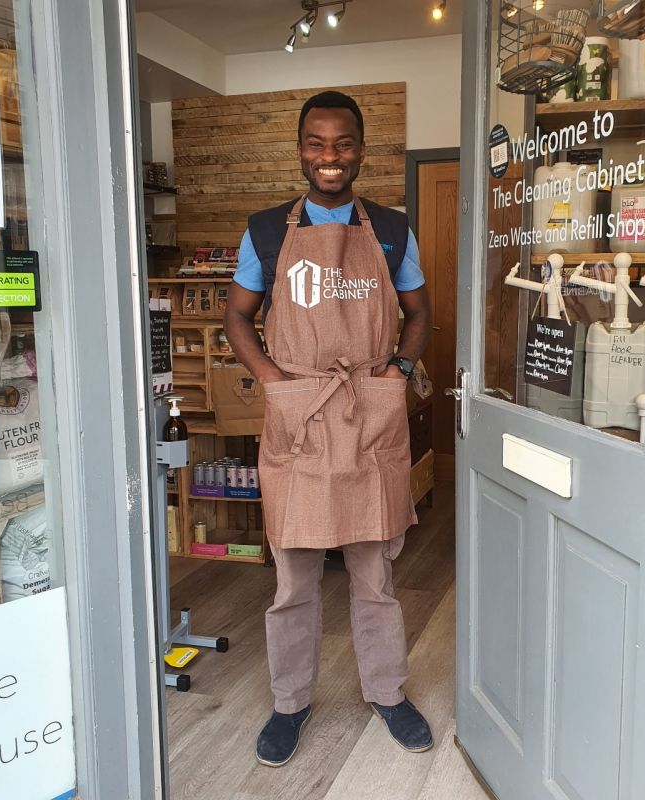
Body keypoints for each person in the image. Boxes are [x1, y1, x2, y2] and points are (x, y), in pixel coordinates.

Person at [224, 90, 433, 767]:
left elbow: (420, 312)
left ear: (361, 151)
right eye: (316, 144)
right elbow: (236, 317)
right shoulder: (263, 230)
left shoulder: (394, 228)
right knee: (294, 580)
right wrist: (275, 381)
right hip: (300, 417)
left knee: (374, 574)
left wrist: (397, 368)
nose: (330, 157)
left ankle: (387, 691)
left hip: (368, 410)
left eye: (342, 144)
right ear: (300, 151)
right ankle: (290, 703)